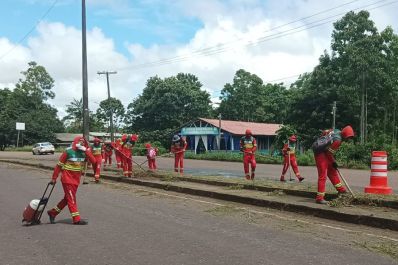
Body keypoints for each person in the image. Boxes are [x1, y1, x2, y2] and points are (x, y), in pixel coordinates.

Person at [47, 136, 96, 225]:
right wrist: (54, 178)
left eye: (83, 142)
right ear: (75, 142)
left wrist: (86, 150)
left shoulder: (83, 153)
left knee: (67, 199)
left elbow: (94, 161)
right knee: (72, 199)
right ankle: (76, 219)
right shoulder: (68, 151)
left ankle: (52, 212)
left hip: (76, 180)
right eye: (80, 142)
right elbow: (58, 166)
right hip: (67, 179)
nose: (81, 143)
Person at [313, 125, 355, 204]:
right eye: (348, 138)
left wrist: (324, 142)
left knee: (332, 171)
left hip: (324, 150)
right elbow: (329, 153)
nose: (348, 140)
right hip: (320, 152)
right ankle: (319, 198)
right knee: (323, 175)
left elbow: (324, 132)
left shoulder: (336, 130)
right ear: (345, 135)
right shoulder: (338, 140)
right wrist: (333, 162)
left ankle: (341, 190)